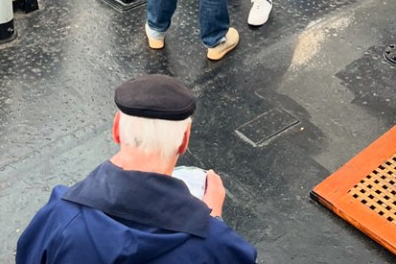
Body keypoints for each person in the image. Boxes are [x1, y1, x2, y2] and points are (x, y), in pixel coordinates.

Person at [16, 74, 257, 264]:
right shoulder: (216, 245)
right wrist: (213, 220)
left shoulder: (59, 218)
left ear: (116, 130)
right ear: (184, 140)